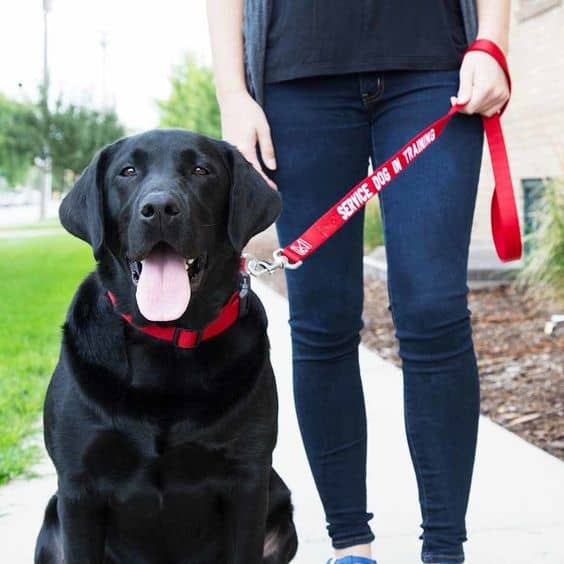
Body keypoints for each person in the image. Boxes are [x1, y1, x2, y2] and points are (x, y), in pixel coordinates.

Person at [207, 1, 511, 563]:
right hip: (297, 76)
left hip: (433, 65)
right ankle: (351, 547)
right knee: (321, 319)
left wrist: (493, 40)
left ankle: (445, 551)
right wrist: (233, 92)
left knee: (433, 312)